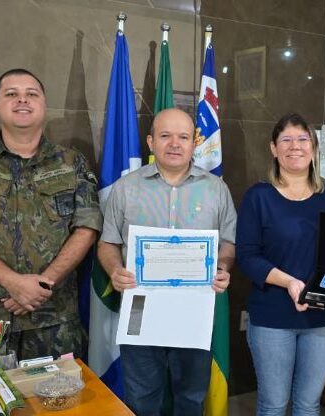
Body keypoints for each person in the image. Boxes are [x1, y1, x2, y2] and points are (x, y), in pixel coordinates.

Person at [0, 68, 101, 366]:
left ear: (44, 105)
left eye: (31, 94)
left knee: (58, 406)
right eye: (11, 94)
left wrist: (42, 285)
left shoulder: (72, 163)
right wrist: (13, 283)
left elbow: (86, 227)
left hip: (54, 320)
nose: (22, 100)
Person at [97, 108, 236, 416]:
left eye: (183, 137)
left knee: (190, 398)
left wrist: (223, 267)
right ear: (150, 141)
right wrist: (115, 270)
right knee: (142, 399)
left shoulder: (216, 190)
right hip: (139, 309)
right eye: (165, 136)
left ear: (194, 143)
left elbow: (228, 243)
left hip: (196, 311)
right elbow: (108, 243)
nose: (175, 143)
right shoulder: (126, 187)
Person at [237, 113, 325, 416]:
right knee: (273, 404)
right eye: (286, 140)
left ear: (314, 146)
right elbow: (248, 257)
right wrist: (291, 283)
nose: (295, 147)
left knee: (309, 405)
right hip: (272, 318)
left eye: (302, 139)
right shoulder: (258, 196)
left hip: (323, 317)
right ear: (273, 148)